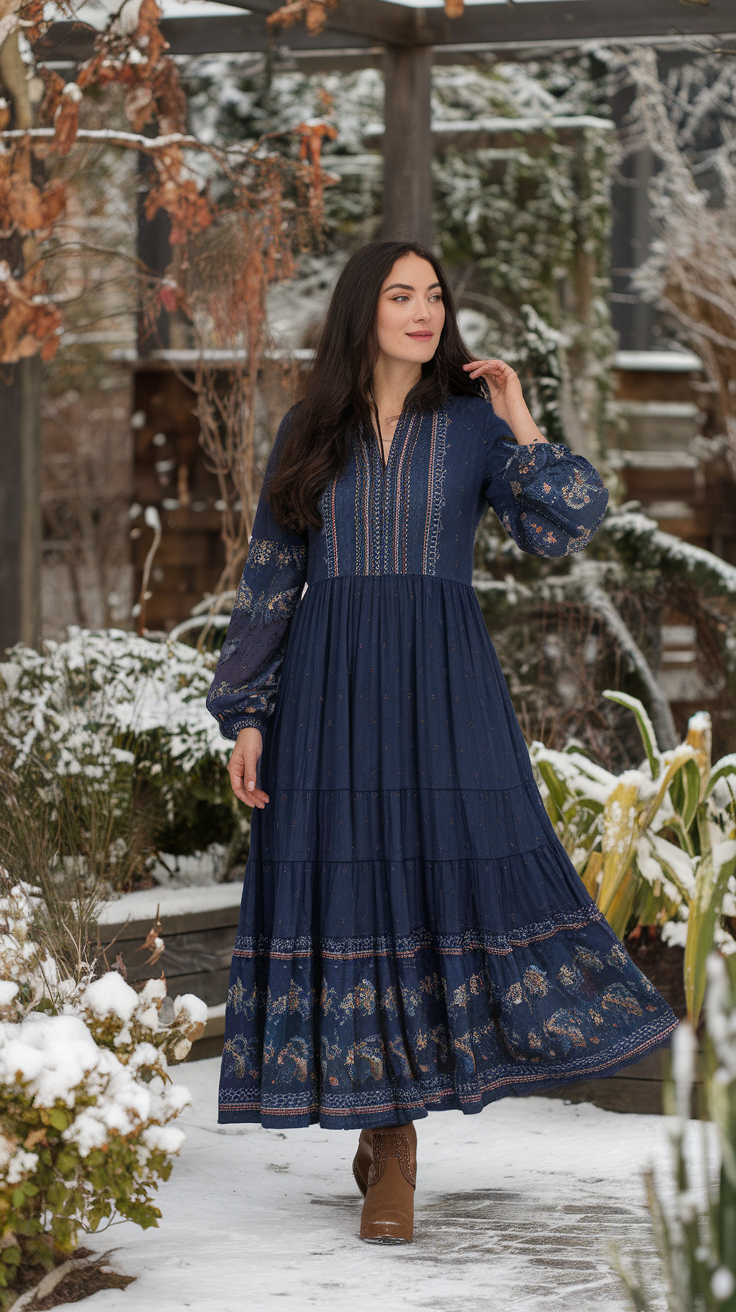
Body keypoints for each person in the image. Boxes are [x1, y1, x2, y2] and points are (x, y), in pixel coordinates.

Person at [205, 240, 677, 1245]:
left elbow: (566, 521)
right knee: (355, 887)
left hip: (444, 689)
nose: (423, 311)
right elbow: (269, 581)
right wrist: (246, 714)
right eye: (399, 295)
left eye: (434, 297)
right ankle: (392, 1136)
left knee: (439, 880)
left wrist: (520, 418)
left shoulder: (469, 428)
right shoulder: (308, 430)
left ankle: (402, 1131)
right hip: (328, 697)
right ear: (359, 312)